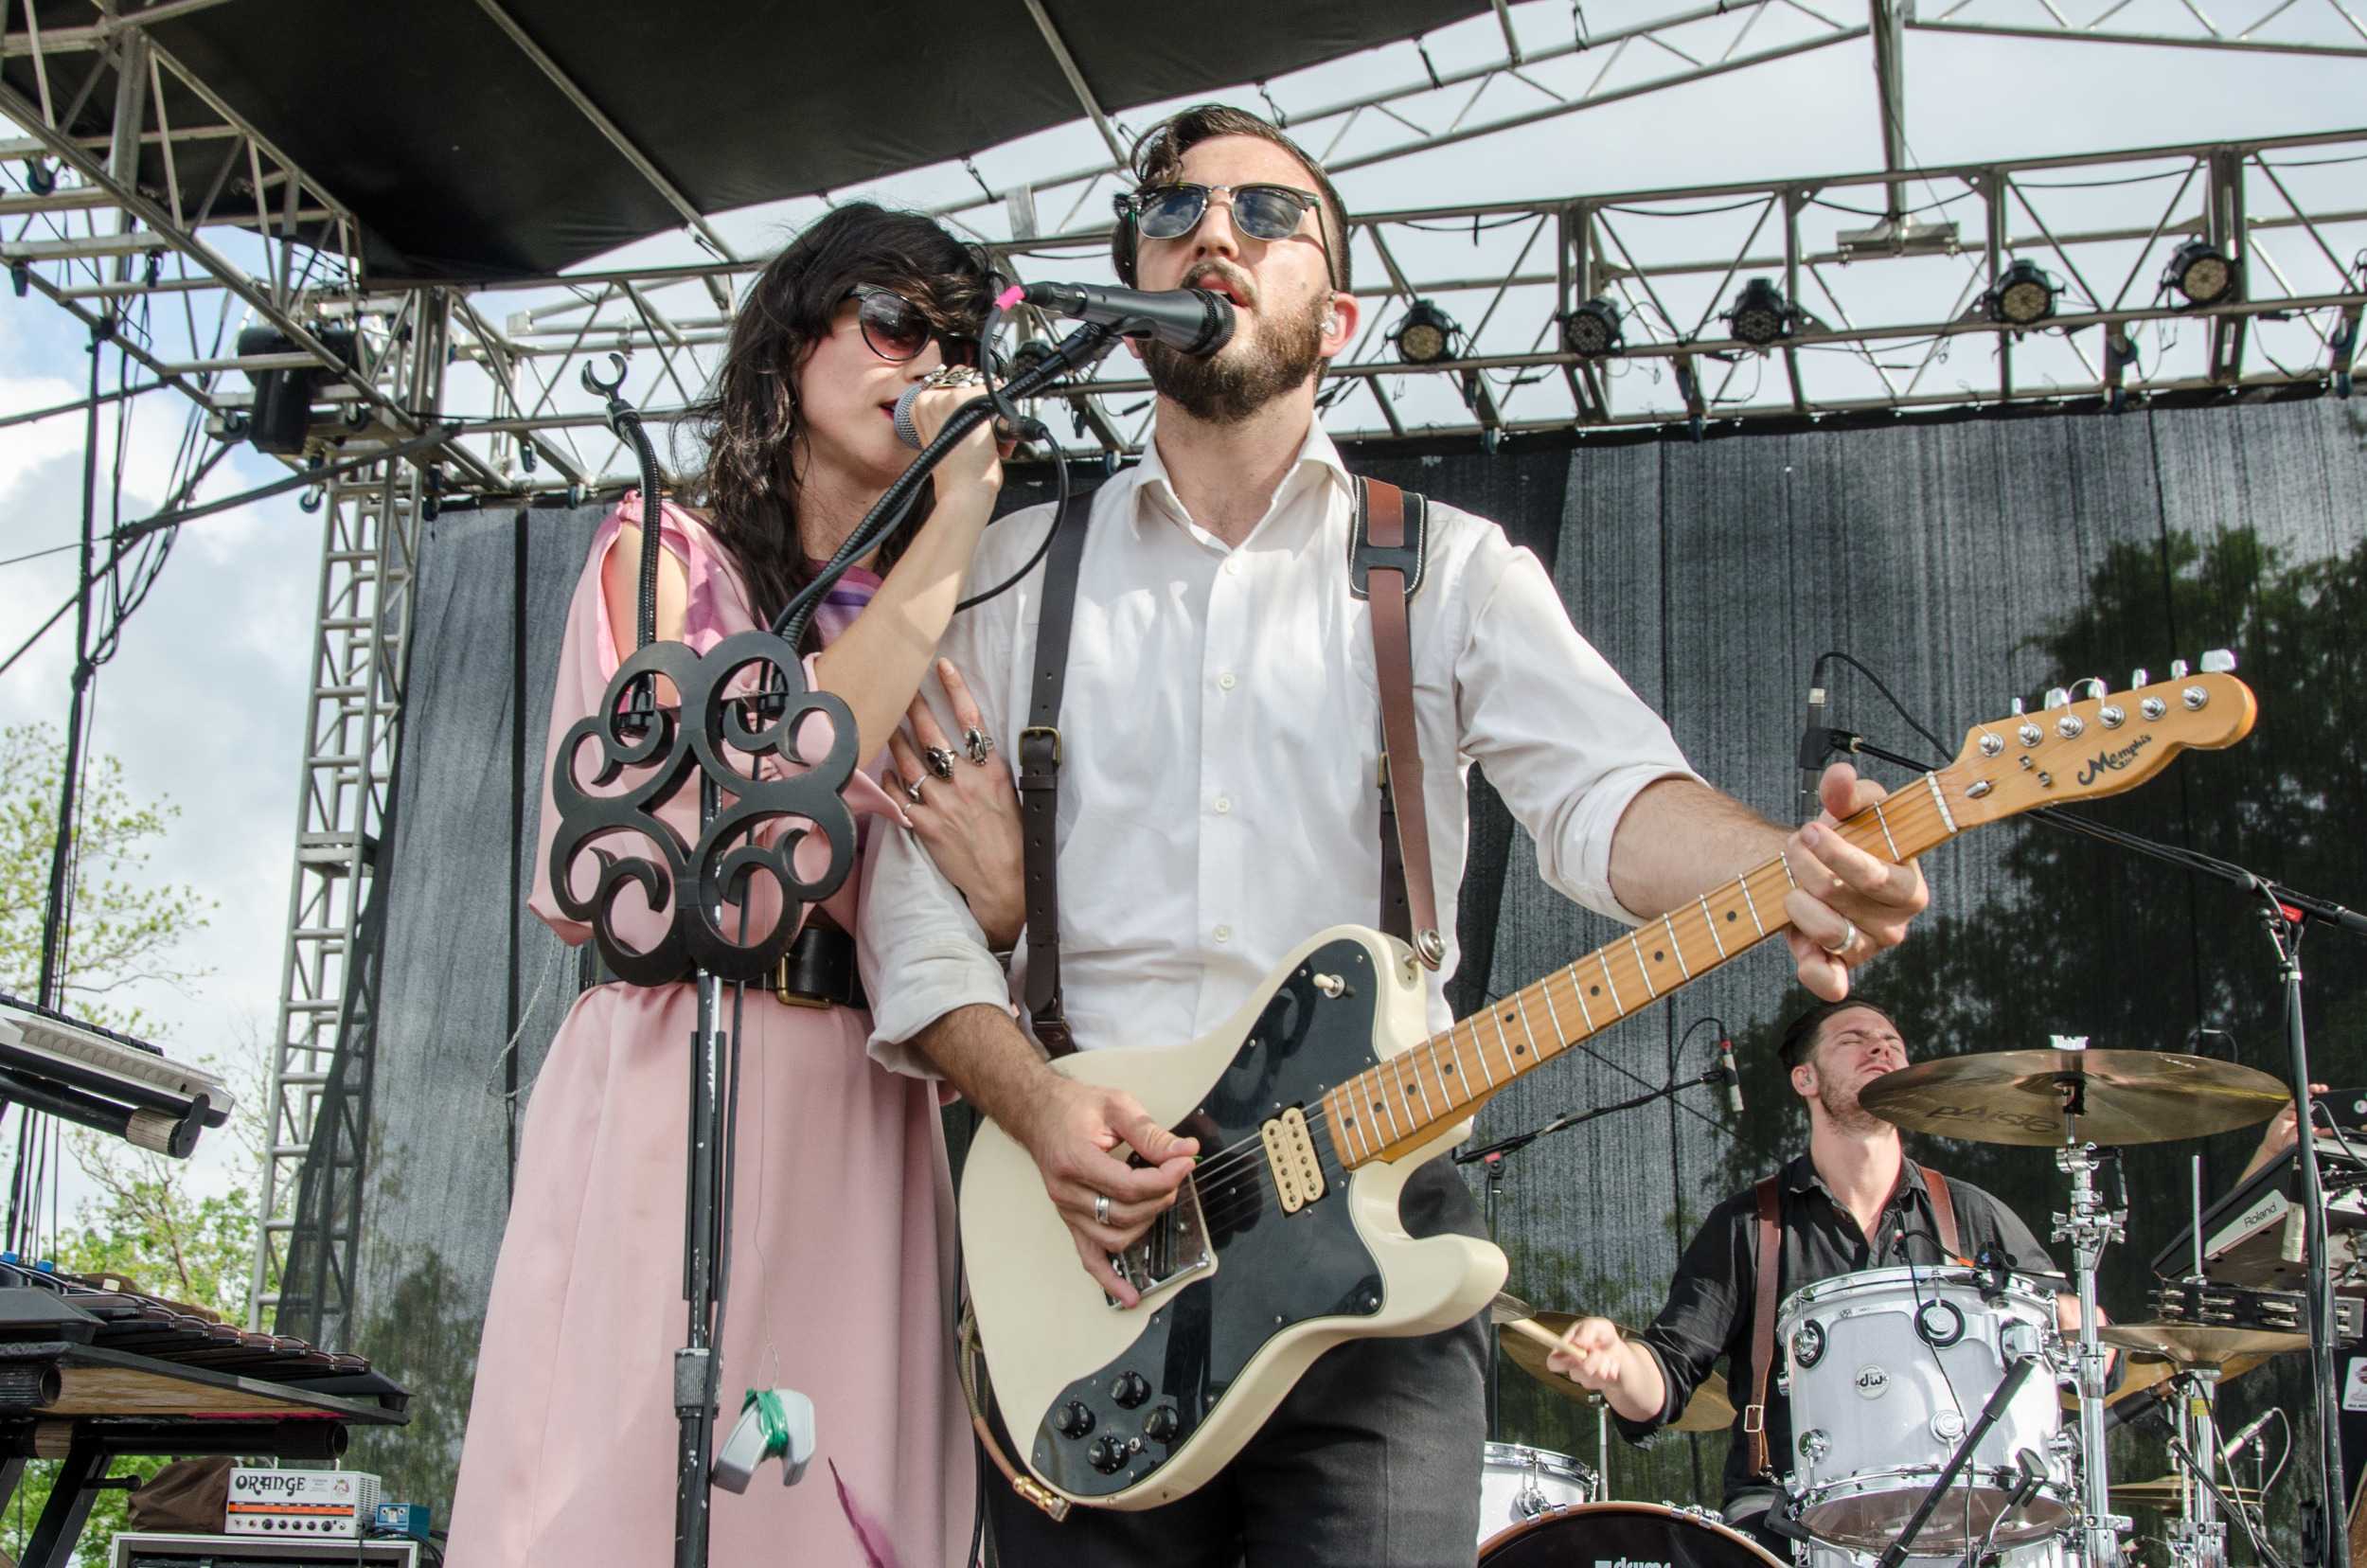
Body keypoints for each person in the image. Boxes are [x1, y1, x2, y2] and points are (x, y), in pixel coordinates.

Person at [857, 103, 1931, 1566]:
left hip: (1373, 1258)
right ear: (1125, 306)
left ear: (1340, 315)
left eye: (1269, 216)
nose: (1215, 235)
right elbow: (909, 916)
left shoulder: (1450, 570)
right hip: (1083, 1257)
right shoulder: (1009, 580)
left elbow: (1605, 800)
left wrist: (1779, 875)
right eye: (1174, 216)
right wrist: (1037, 1109)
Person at [446, 204, 1011, 1568]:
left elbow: (942, 913)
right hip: (681, 1067)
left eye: (958, 339)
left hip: (867, 1111)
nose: (926, 357)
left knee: (831, 1501)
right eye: (893, 319)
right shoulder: (663, 557)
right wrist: (959, 518)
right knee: (633, 1492)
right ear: (790, 339)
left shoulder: (931, 624)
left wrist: (1000, 903)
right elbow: (762, 807)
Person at [1545, 999, 2103, 1553]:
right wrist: (1617, 1366)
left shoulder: (1970, 1213)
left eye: (1892, 1041)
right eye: (1854, 1039)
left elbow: (2086, 1363)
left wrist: (2085, 1331)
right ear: (1805, 1078)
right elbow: (1665, 1378)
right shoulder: (1749, 1226)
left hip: (1964, 1516)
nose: (1881, 1046)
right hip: (1785, 1517)